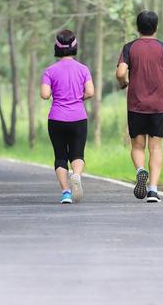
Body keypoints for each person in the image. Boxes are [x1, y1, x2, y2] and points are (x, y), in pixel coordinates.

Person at [116, 10, 163, 203]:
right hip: (159, 105)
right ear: (156, 27)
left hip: (136, 104)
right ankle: (152, 190)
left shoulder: (129, 47)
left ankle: (140, 170)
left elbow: (120, 73)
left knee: (137, 145)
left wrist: (124, 83)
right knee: (156, 147)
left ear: (137, 27)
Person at [41, 30, 94, 204]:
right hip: (78, 117)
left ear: (56, 47)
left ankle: (65, 193)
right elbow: (90, 92)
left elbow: (44, 94)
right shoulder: (83, 69)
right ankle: (76, 175)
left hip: (56, 118)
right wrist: (78, 97)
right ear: (75, 47)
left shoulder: (50, 71)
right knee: (77, 154)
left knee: (60, 156)